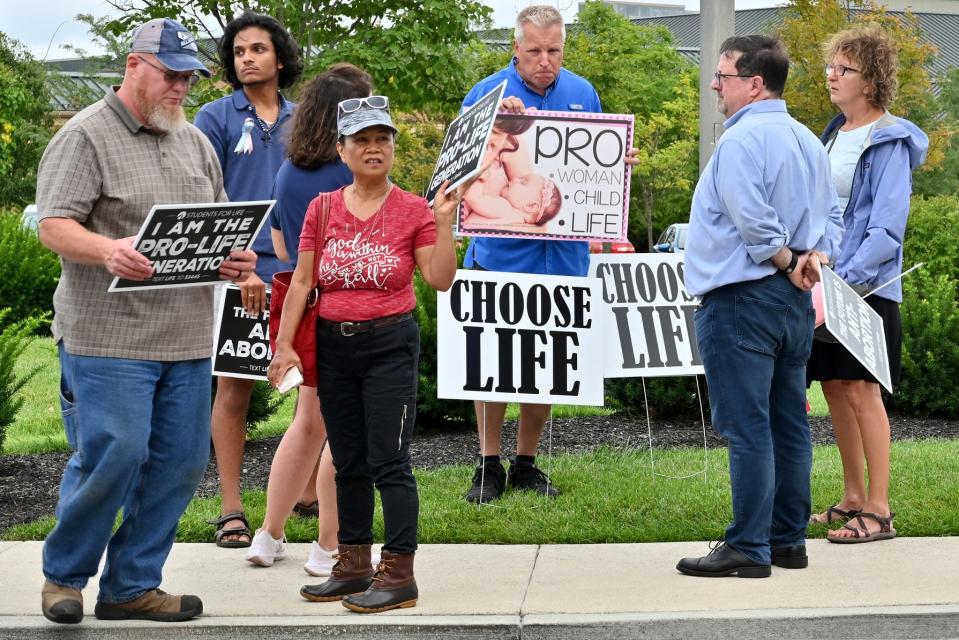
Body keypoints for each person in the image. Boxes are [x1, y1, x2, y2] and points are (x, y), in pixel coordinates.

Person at [35, 18, 257, 624]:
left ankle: (132, 584)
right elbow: (53, 224)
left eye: (189, 76)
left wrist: (236, 261)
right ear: (134, 65)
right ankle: (65, 577)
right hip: (106, 337)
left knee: (182, 463)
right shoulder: (84, 137)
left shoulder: (195, 142)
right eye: (171, 74)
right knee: (115, 452)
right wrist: (108, 249)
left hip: (185, 338)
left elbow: (214, 227)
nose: (182, 87)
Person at [267, 96, 462, 613]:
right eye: (362, 140)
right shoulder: (322, 207)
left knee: (389, 460)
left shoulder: (414, 209)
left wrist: (444, 224)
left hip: (389, 344)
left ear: (394, 147)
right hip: (333, 345)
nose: (373, 148)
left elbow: (440, 280)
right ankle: (352, 564)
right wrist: (284, 344)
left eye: (382, 139)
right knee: (348, 461)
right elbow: (304, 280)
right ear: (342, 149)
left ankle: (399, 573)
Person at [677, 35, 843, 578]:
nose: (714, 84)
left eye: (722, 75)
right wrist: (812, 258)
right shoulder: (807, 140)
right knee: (787, 425)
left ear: (753, 83)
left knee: (749, 427)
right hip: (793, 304)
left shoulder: (739, 142)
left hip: (742, 299)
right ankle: (787, 541)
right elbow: (832, 220)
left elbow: (752, 222)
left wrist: (786, 257)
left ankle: (750, 546)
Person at [459, 4, 636, 504]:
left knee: (546, 362)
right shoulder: (486, 95)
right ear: (515, 48)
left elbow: (596, 171)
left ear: (563, 48)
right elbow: (463, 168)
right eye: (534, 50)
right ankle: (487, 464)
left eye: (553, 50)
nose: (544, 60)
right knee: (492, 364)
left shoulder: (583, 93)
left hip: (564, 257)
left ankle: (526, 463)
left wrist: (617, 162)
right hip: (500, 253)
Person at [244, 63, 378, 576]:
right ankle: (328, 546)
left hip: (301, 305)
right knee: (346, 430)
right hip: (349, 307)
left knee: (306, 423)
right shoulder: (351, 174)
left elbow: (279, 246)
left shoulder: (287, 170)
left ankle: (268, 534)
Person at [807, 25, 927, 543]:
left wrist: (843, 281)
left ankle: (879, 509)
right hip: (827, 284)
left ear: (872, 79)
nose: (832, 74)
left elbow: (885, 230)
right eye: (832, 65)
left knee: (862, 390)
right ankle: (852, 495)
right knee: (834, 388)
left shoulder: (892, 140)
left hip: (868, 288)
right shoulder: (833, 133)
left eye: (845, 68)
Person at [193, 11, 305, 548]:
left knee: (313, 386)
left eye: (257, 49)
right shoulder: (212, 118)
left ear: (279, 59)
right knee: (234, 388)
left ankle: (304, 490)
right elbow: (202, 198)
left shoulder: (306, 119)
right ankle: (232, 508)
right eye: (238, 52)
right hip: (238, 273)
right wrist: (239, 268)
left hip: (300, 273)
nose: (246, 59)